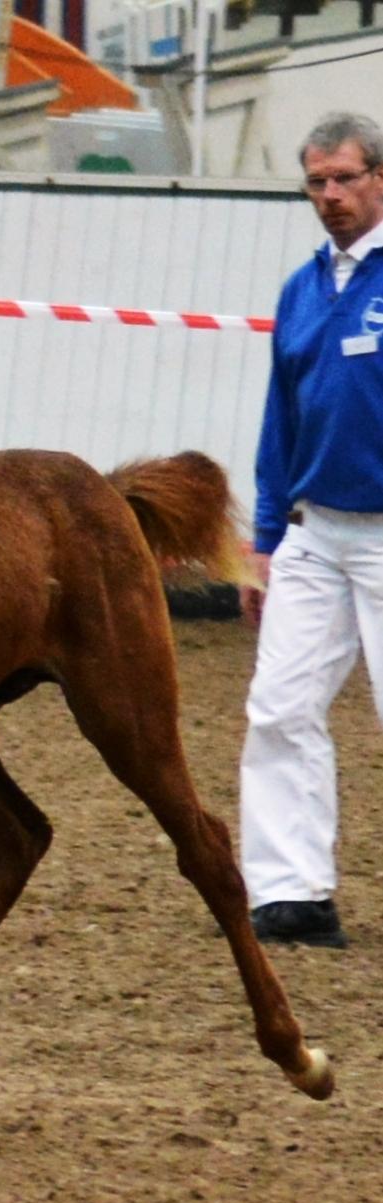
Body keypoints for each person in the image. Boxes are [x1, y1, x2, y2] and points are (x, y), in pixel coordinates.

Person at [240, 110, 383, 950]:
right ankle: (290, 892)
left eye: (344, 179)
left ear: (379, 180)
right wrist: (264, 539)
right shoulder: (302, 289)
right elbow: (280, 421)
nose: (329, 195)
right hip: (314, 531)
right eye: (316, 182)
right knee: (278, 706)